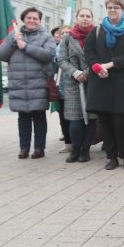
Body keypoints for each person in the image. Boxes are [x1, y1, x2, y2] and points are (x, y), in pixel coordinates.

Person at [84, 0, 124, 170]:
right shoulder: (97, 31)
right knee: (106, 123)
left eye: (116, 7)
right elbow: (89, 52)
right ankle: (111, 157)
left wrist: (110, 65)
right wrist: (96, 67)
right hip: (102, 83)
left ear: (122, 10)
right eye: (110, 7)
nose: (113, 10)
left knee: (122, 123)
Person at [0, 7, 56, 159]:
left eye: (35, 18)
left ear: (39, 21)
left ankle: (39, 148)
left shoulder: (46, 36)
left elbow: (49, 55)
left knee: (39, 117)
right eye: (29, 18)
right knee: (23, 118)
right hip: (19, 84)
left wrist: (26, 47)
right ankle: (24, 148)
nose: (32, 21)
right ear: (23, 19)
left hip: (38, 83)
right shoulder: (14, 35)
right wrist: (14, 42)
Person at [58, 8, 97, 163]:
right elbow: (61, 59)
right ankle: (75, 149)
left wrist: (86, 73)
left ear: (92, 19)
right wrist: (75, 73)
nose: (85, 18)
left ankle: (86, 150)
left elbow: (100, 57)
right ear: (76, 18)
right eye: (82, 16)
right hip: (73, 84)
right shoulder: (67, 38)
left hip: (92, 83)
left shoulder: (96, 36)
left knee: (91, 119)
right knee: (75, 120)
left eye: (88, 16)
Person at [51, 25, 73, 154]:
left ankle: (78, 142)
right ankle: (68, 143)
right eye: (63, 33)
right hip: (61, 87)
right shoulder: (56, 48)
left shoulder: (76, 46)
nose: (65, 34)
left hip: (74, 86)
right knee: (63, 117)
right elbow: (55, 61)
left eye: (68, 32)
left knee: (75, 118)